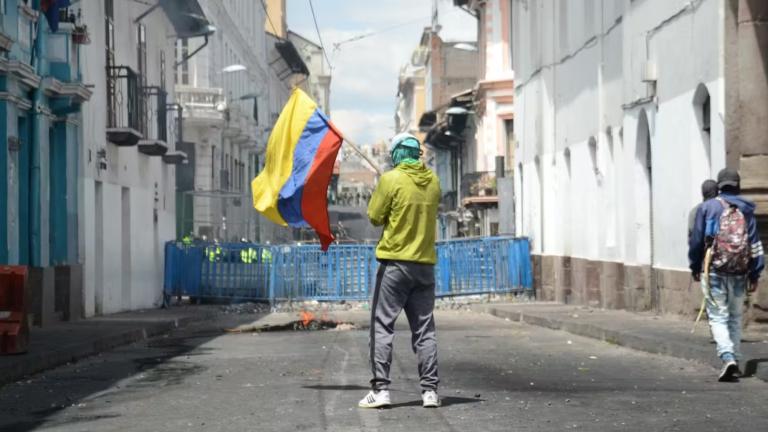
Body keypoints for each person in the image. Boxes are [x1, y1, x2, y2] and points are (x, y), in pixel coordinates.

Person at [358, 133, 442, 409]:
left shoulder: (390, 179)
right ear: (416, 154)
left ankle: (381, 390)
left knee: (382, 326)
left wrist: (382, 189)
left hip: (394, 265)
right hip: (425, 266)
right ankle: (430, 391)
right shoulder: (433, 182)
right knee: (424, 329)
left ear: (396, 155)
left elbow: (374, 216)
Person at [689, 168, 764, 381]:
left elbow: (696, 241)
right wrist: (755, 273)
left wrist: (695, 267)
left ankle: (727, 356)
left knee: (718, 316)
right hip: (741, 272)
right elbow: (754, 243)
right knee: (735, 316)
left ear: (720, 185)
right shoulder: (746, 209)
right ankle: (737, 361)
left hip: (713, 270)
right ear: (737, 184)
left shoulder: (708, 207)